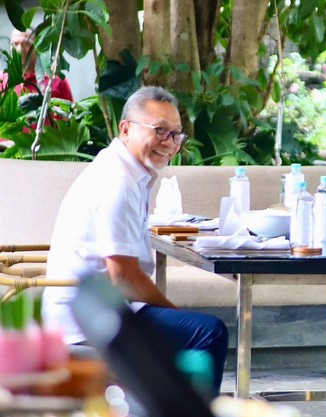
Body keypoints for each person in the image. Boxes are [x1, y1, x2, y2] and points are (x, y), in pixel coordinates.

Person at [43, 86, 228, 396]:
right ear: (126, 129)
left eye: (176, 134)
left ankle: (166, 409)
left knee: (193, 330)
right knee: (208, 333)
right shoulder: (117, 181)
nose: (169, 144)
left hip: (94, 306)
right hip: (86, 321)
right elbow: (124, 276)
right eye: (160, 131)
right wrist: (175, 311)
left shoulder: (123, 170)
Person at [2, 29, 74, 102]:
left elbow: (70, 111)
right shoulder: (3, 80)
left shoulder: (55, 80)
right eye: (15, 44)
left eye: (26, 44)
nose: (20, 49)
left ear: (37, 47)